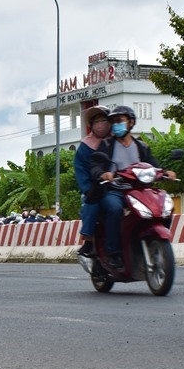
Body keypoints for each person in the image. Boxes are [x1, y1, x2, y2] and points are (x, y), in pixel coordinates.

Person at [91, 105, 177, 272]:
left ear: (130, 123)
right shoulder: (107, 145)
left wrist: (166, 173)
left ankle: (153, 241)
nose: (116, 125)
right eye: (114, 122)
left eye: (120, 121)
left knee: (163, 206)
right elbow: (95, 165)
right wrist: (103, 174)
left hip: (140, 190)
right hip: (116, 190)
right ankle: (113, 253)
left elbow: (154, 165)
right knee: (113, 208)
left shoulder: (142, 146)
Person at [74, 106, 112, 257]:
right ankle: (88, 241)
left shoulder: (116, 141)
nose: (101, 124)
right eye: (97, 121)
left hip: (118, 185)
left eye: (104, 120)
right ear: (92, 124)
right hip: (94, 187)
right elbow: (80, 170)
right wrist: (87, 188)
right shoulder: (84, 147)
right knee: (92, 204)